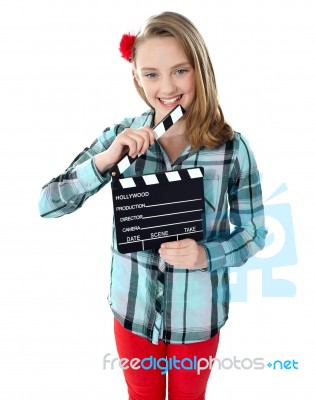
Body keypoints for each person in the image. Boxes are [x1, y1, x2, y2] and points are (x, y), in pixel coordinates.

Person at [39, 11, 267, 400]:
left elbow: (255, 233)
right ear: (136, 77)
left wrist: (206, 255)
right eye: (152, 74)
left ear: (201, 69)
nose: (167, 86)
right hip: (134, 313)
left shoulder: (231, 148)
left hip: (197, 317)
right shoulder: (120, 138)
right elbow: (49, 204)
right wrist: (105, 161)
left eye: (180, 71)